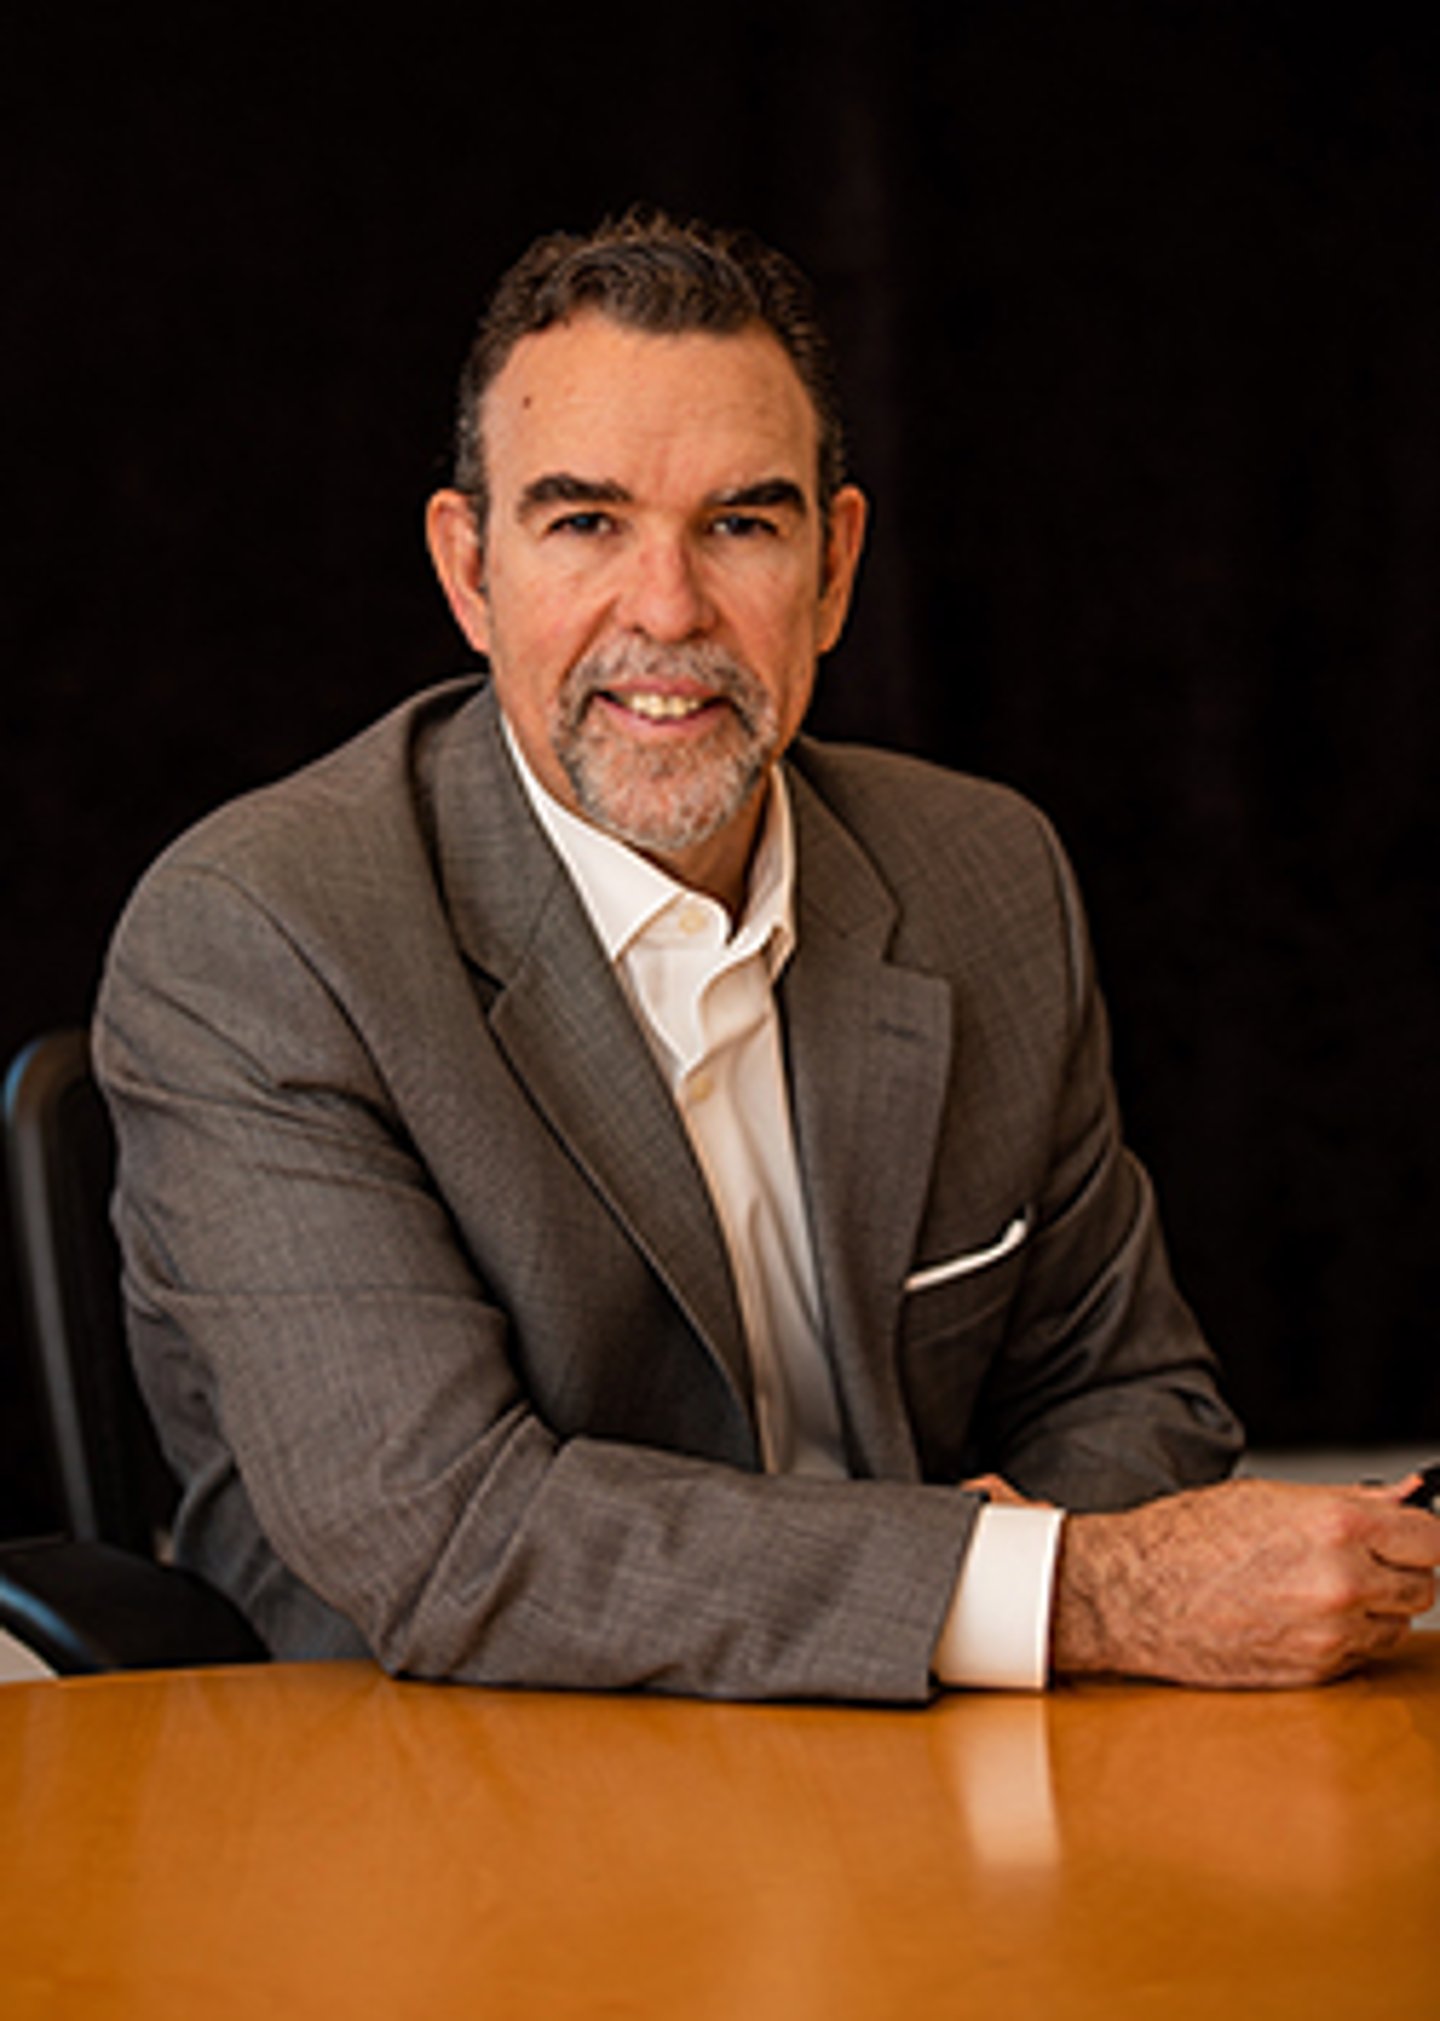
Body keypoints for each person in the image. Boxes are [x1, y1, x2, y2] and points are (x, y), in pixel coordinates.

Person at [93, 211, 1440, 1701]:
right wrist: (1053, 1592)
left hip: (933, 1793)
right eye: (585, 522)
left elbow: (1127, 1390)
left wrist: (1003, 1599)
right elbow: (455, 1537)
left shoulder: (983, 874)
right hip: (463, 1818)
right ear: (470, 572)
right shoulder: (261, 933)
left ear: (836, 567)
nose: (667, 611)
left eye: (740, 522)